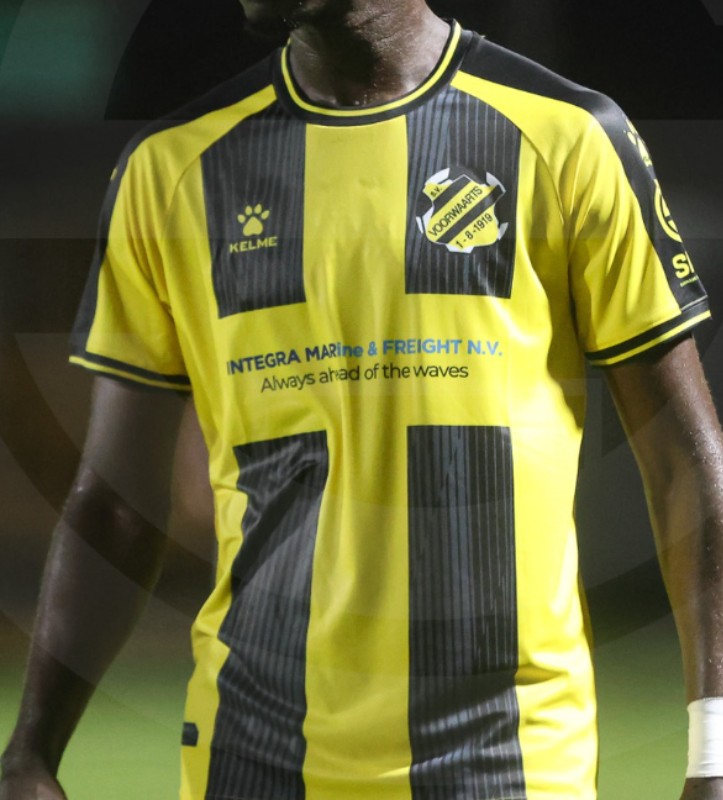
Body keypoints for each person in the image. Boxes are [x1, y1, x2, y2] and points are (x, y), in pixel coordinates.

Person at [2, 1, 723, 798]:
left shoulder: (566, 135)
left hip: (507, 760)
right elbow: (117, 502)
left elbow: (682, 463)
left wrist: (712, 753)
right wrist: (31, 750)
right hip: (248, 756)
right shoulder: (171, 167)